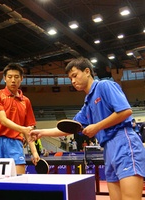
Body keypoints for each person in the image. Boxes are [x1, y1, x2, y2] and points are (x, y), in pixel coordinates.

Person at [30, 57, 145, 200]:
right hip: (108, 149)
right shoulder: (87, 104)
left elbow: (125, 111)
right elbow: (70, 128)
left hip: (124, 142)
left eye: (75, 75)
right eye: (70, 78)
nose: (72, 81)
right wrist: (41, 132)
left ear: (87, 71)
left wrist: (96, 127)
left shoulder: (104, 85)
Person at [0, 63, 40, 174]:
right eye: (9, 77)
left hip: (15, 142)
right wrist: (23, 129)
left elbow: (29, 129)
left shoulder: (26, 101)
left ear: (21, 79)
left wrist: (34, 152)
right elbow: (3, 120)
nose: (13, 80)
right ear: (4, 79)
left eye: (16, 77)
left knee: (20, 179)